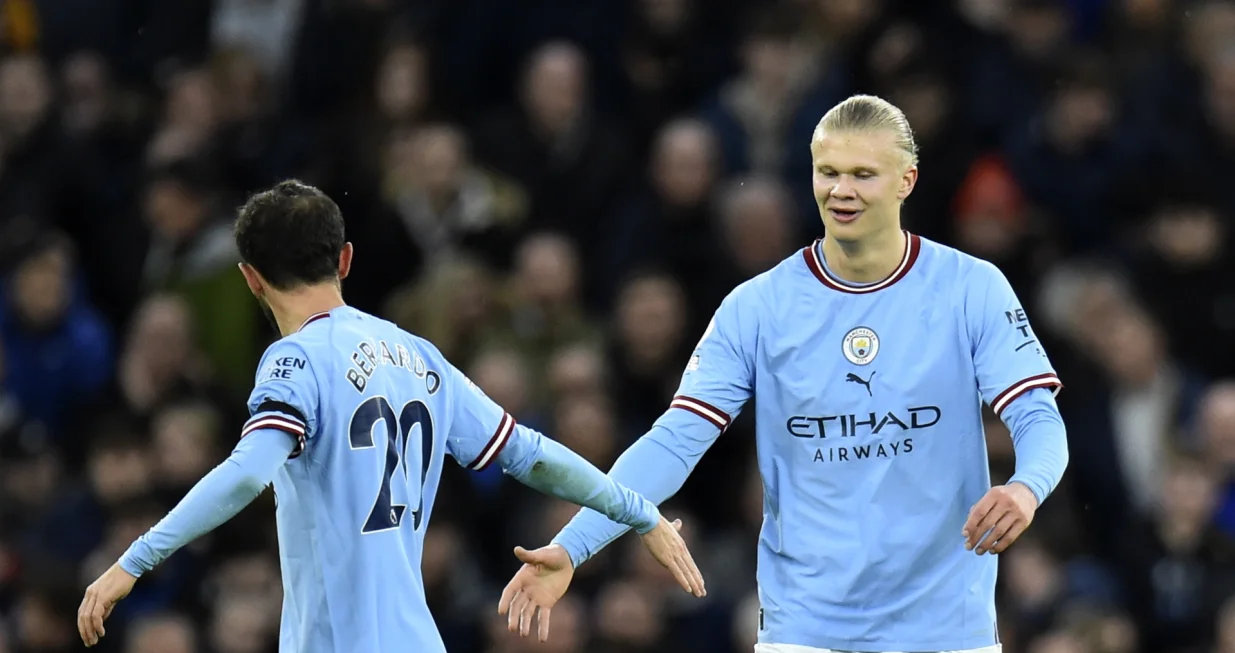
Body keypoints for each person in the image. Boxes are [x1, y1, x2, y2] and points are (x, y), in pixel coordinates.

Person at [498, 95, 1070, 653]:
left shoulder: (971, 288)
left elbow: (1038, 417)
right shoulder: (758, 307)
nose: (841, 191)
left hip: (947, 627)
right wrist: (573, 546)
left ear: (907, 181)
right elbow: (673, 443)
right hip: (806, 626)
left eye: (863, 174)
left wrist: (1025, 487)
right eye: (828, 172)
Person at [76, 180, 705, 652]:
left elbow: (248, 474)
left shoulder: (294, 360)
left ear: (251, 280)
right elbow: (528, 452)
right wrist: (634, 507)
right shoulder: (420, 357)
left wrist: (134, 559)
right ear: (344, 260)